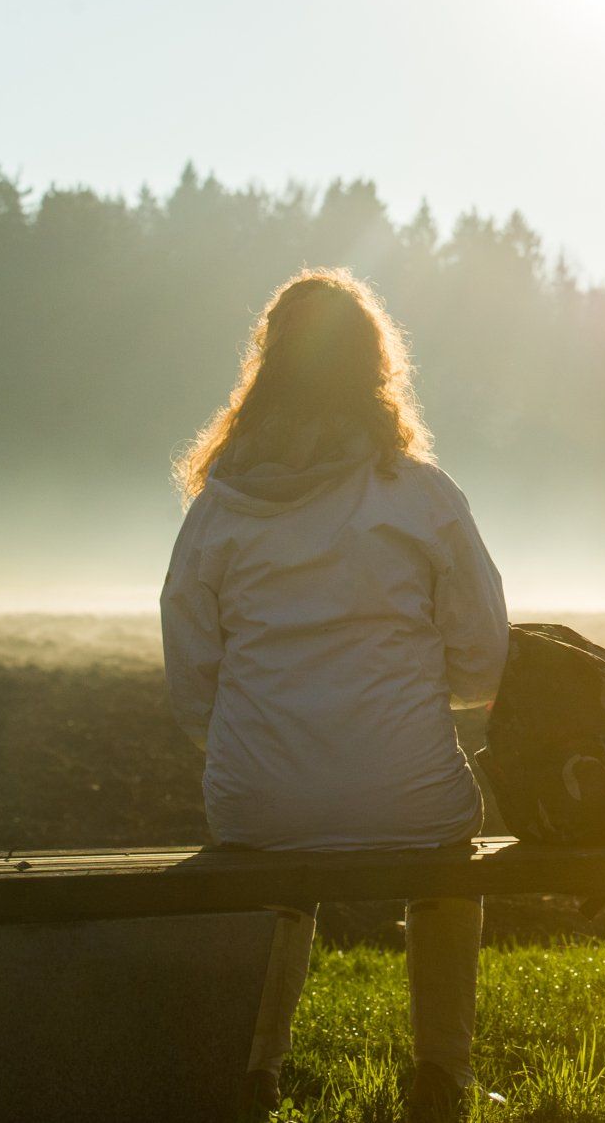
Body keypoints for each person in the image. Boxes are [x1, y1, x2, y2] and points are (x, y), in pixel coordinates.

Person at [160, 267, 508, 1122]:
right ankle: (441, 1080)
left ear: (267, 368)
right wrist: (435, 690)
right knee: (445, 875)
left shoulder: (221, 507)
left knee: (279, 868)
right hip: (411, 795)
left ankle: (254, 1072)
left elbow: (191, 665)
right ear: (374, 371)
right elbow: (484, 656)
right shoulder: (420, 497)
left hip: (256, 803)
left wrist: (241, 736)